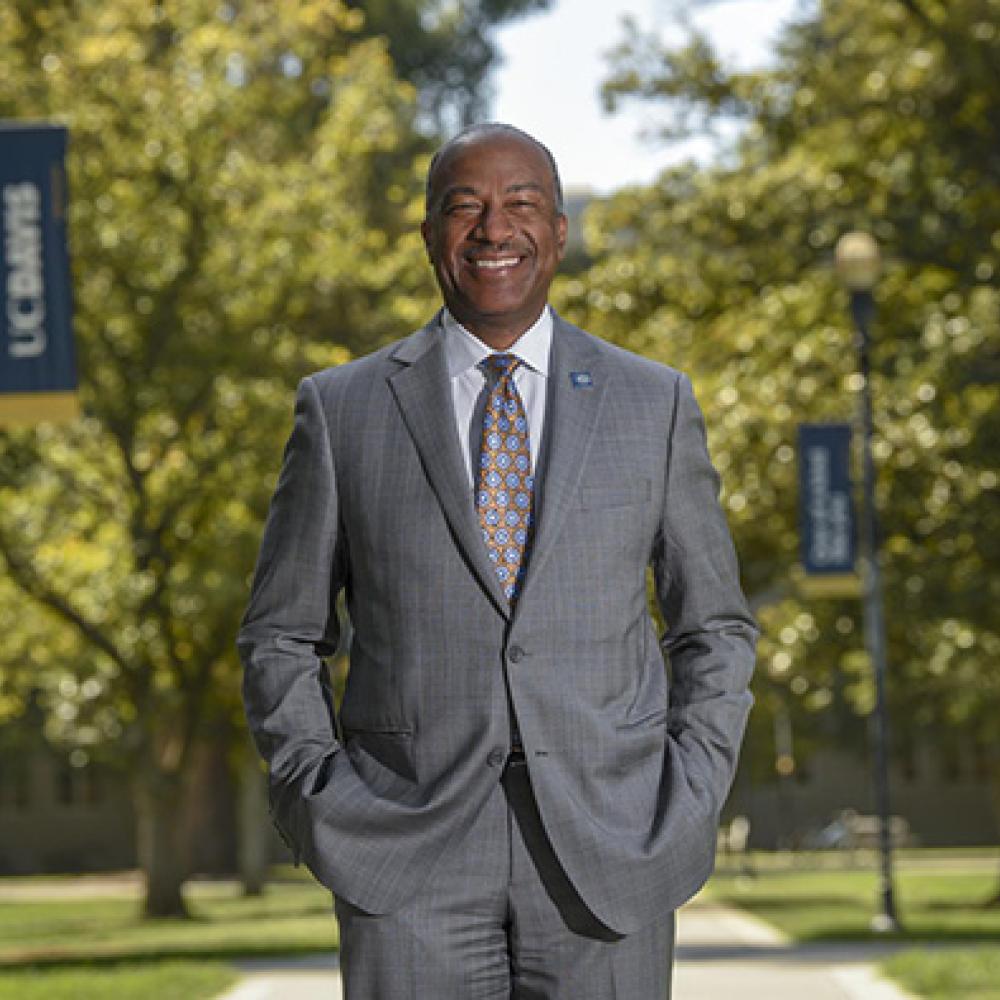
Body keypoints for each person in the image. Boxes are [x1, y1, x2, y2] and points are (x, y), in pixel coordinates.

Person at [238, 122, 757, 999]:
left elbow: (714, 626)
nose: (494, 228)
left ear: (558, 230)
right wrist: (317, 796)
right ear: (429, 235)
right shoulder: (340, 409)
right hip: (405, 853)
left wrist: (691, 792)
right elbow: (280, 637)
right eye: (464, 206)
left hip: (612, 846)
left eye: (521, 203)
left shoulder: (653, 402)